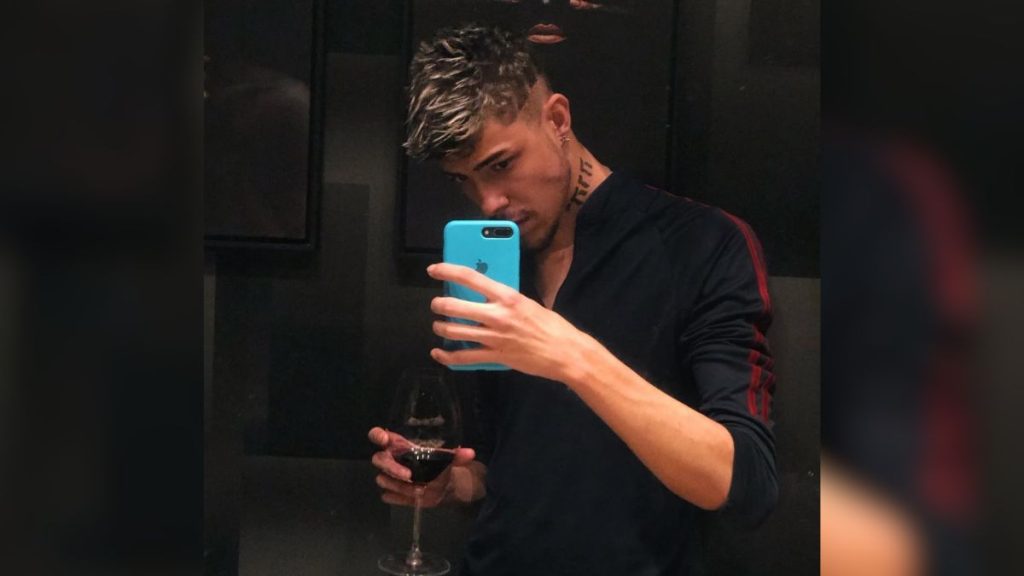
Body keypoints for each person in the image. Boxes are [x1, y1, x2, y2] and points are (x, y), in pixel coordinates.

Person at [369, 23, 777, 575]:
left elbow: (744, 483)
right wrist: (456, 482)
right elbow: (509, 460)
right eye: (462, 179)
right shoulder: (496, 266)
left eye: (500, 164)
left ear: (557, 120)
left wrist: (572, 357)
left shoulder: (703, 244)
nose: (488, 202)